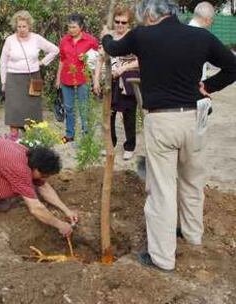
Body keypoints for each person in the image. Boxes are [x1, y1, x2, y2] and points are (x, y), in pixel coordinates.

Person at [101, 0, 236, 272]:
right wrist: (208, 85)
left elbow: (113, 47)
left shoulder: (143, 35)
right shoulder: (201, 36)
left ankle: (162, 258)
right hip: (194, 119)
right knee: (192, 181)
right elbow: (233, 67)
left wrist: (105, 32)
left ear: (150, 15)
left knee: (162, 190)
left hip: (161, 120)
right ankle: (192, 235)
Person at [0, 10, 59, 140]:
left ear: (29, 26)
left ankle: (31, 135)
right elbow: (3, 61)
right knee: (13, 106)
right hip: (14, 78)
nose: (21, 29)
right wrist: (3, 81)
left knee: (32, 106)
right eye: (19, 26)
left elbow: (55, 50)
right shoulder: (10, 40)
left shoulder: (36, 38)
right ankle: (13, 134)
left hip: (33, 77)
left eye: (24, 26)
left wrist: (42, 62)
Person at [94, 6, 139, 160]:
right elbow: (100, 59)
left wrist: (125, 67)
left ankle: (130, 146)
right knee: (109, 114)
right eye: (117, 21)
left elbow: (142, 59)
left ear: (129, 23)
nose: (120, 25)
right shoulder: (108, 37)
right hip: (110, 81)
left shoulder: (134, 38)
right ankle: (110, 144)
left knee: (128, 115)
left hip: (129, 82)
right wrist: (96, 80)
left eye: (123, 22)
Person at [56, 13, 99, 143]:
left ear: (81, 27)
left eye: (74, 27)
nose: (71, 30)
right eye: (69, 27)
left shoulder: (91, 41)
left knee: (83, 107)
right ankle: (70, 135)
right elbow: (62, 60)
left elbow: (96, 60)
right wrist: (58, 78)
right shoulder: (64, 40)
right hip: (66, 78)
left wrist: (94, 80)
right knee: (68, 107)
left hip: (83, 77)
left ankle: (86, 134)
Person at [189, 1, 215, 81]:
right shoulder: (204, 37)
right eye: (212, 20)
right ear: (207, 20)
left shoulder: (179, 31)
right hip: (196, 84)